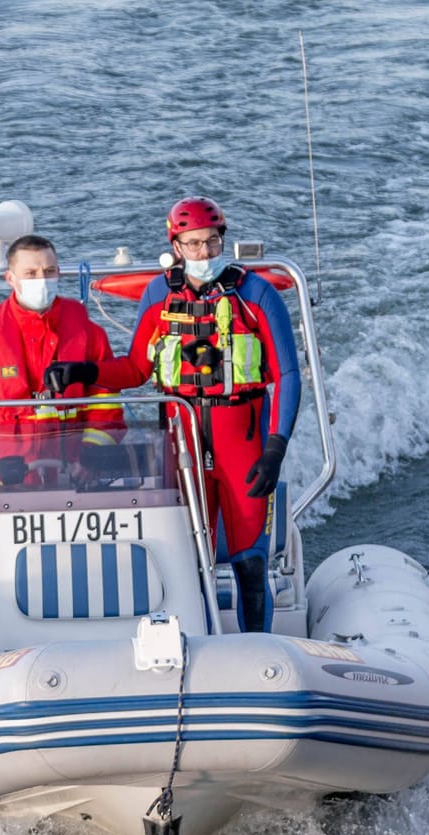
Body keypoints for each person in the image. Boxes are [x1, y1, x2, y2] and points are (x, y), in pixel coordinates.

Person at [129, 197, 301, 633]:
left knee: (250, 565)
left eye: (212, 242)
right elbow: (133, 368)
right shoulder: (158, 294)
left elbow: (289, 374)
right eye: (193, 244)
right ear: (176, 246)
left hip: (244, 445)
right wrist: (86, 371)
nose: (204, 253)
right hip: (182, 445)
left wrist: (276, 448)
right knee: (187, 561)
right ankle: (199, 651)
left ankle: (257, 651)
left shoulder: (255, 293)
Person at [0, 234, 149, 516]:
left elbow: (106, 405)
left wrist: (92, 456)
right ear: (10, 278)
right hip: (3, 486)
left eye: (49, 271)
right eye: (31, 273)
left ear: (59, 272)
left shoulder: (88, 332)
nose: (42, 278)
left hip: (77, 480)